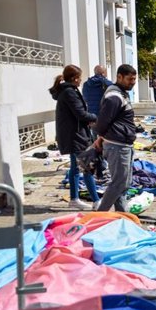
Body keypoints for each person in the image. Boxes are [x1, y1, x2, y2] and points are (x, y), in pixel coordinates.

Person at [50, 65, 101, 210]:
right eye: (79, 78)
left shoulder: (67, 91)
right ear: (74, 78)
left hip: (73, 134)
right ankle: (96, 201)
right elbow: (80, 113)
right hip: (76, 136)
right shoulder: (69, 93)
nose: (80, 81)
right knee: (87, 167)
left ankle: (74, 199)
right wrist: (96, 117)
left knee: (75, 168)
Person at [94, 64, 138, 212]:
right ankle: (100, 215)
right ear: (119, 77)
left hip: (123, 144)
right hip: (117, 145)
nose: (132, 82)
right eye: (130, 79)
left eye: (134, 79)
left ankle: (122, 215)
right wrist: (102, 137)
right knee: (118, 183)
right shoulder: (114, 96)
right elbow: (102, 123)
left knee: (124, 184)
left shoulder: (121, 93)